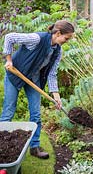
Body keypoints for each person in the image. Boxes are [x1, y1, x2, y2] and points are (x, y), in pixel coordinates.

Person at [0, 20, 74, 159]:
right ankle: (1, 147)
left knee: (36, 114)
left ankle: (34, 147)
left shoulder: (58, 51)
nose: (67, 41)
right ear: (58, 33)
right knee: (9, 111)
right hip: (15, 75)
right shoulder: (36, 39)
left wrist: (56, 95)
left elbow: (52, 73)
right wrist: (9, 60)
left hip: (33, 79)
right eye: (66, 38)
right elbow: (9, 37)